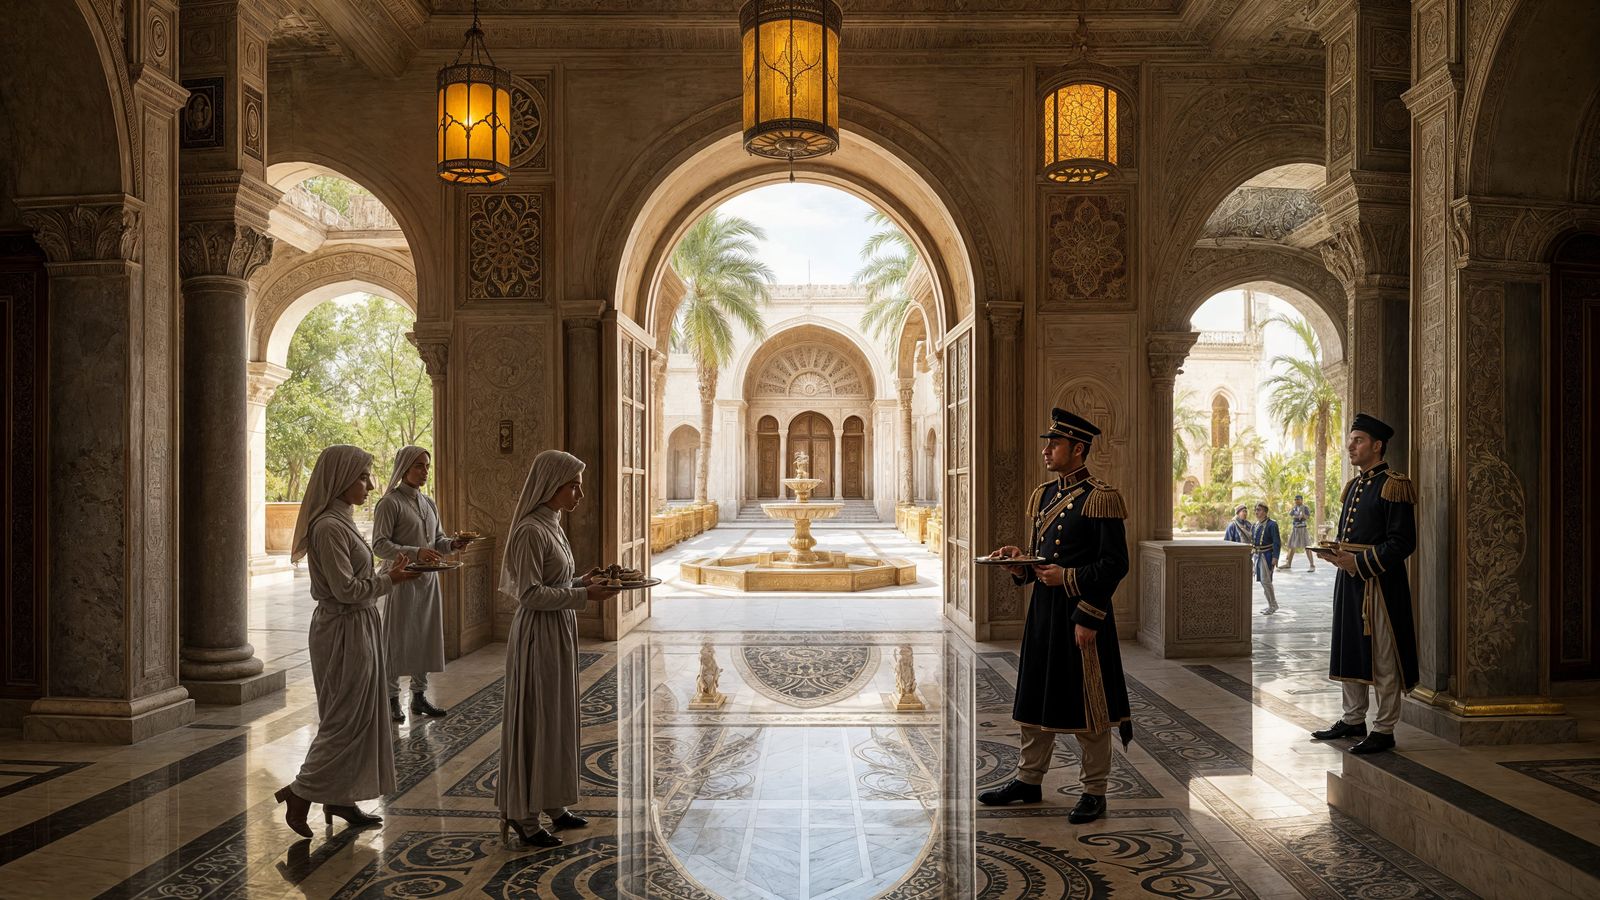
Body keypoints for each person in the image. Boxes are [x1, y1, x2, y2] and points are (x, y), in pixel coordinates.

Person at [978, 408, 1131, 824]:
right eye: (1048, 443)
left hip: (1082, 615)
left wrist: (1085, 608)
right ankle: (1029, 781)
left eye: (1055, 444)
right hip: (1044, 614)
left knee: (1088, 707)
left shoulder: (1101, 498)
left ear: (1078, 449)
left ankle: (1094, 791)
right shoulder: (1044, 495)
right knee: (1035, 697)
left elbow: (1115, 565)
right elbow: (1043, 560)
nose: (1046, 450)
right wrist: (1019, 565)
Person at [275, 445, 420, 837]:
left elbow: (358, 580)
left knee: (363, 714)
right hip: (342, 629)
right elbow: (344, 589)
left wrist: (391, 573)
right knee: (344, 718)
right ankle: (299, 793)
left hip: (360, 624)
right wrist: (392, 580)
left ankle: (341, 796)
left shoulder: (343, 522)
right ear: (340, 480)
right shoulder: (327, 528)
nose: (371, 485)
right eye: (362, 477)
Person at [496, 449, 621, 848]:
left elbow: (557, 579)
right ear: (553, 486)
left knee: (558, 716)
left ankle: (553, 803)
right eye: (574, 486)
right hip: (538, 635)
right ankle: (524, 816)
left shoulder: (551, 524)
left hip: (558, 629)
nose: (579, 494)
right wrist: (585, 595)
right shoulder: (530, 530)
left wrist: (584, 580)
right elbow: (530, 594)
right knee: (538, 718)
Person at [1310, 413, 1418, 755]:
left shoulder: (1394, 484)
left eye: (1357, 440)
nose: (1350, 446)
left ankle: (1384, 728)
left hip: (1380, 586)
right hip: (1350, 582)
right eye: (1351, 439)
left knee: (1383, 656)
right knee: (1349, 649)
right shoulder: (1354, 485)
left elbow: (1402, 543)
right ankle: (1353, 718)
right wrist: (1336, 552)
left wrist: (1359, 563)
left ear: (1377, 445)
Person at [371, 446, 469, 723]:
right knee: (396, 639)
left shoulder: (429, 503)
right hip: (401, 580)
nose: (425, 471)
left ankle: (418, 697)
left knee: (425, 637)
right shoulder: (389, 503)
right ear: (404, 468)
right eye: (419, 466)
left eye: (427, 466)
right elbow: (379, 545)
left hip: (428, 581)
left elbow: (436, 541)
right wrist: (415, 552)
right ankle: (391, 698)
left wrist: (453, 544)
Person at [1252, 502, 1282, 615]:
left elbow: (1276, 542)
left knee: (1267, 581)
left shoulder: (1272, 524)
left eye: (1259, 510)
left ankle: (1273, 605)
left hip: (1267, 555)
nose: (1256, 512)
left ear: (1265, 512)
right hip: (1258, 556)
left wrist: (1275, 557)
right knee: (1263, 582)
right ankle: (1270, 604)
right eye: (1256, 510)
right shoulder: (1255, 525)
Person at [1283, 494, 1315, 570]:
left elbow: (1307, 517)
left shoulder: (1305, 507)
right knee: (1292, 546)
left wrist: (1302, 513)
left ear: (1301, 500)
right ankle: (1288, 564)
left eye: (1298, 499)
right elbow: (1291, 515)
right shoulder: (1294, 508)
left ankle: (1312, 565)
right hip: (1295, 528)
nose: (1296, 501)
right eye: (1295, 499)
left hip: (1303, 529)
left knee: (1307, 546)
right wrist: (1296, 513)